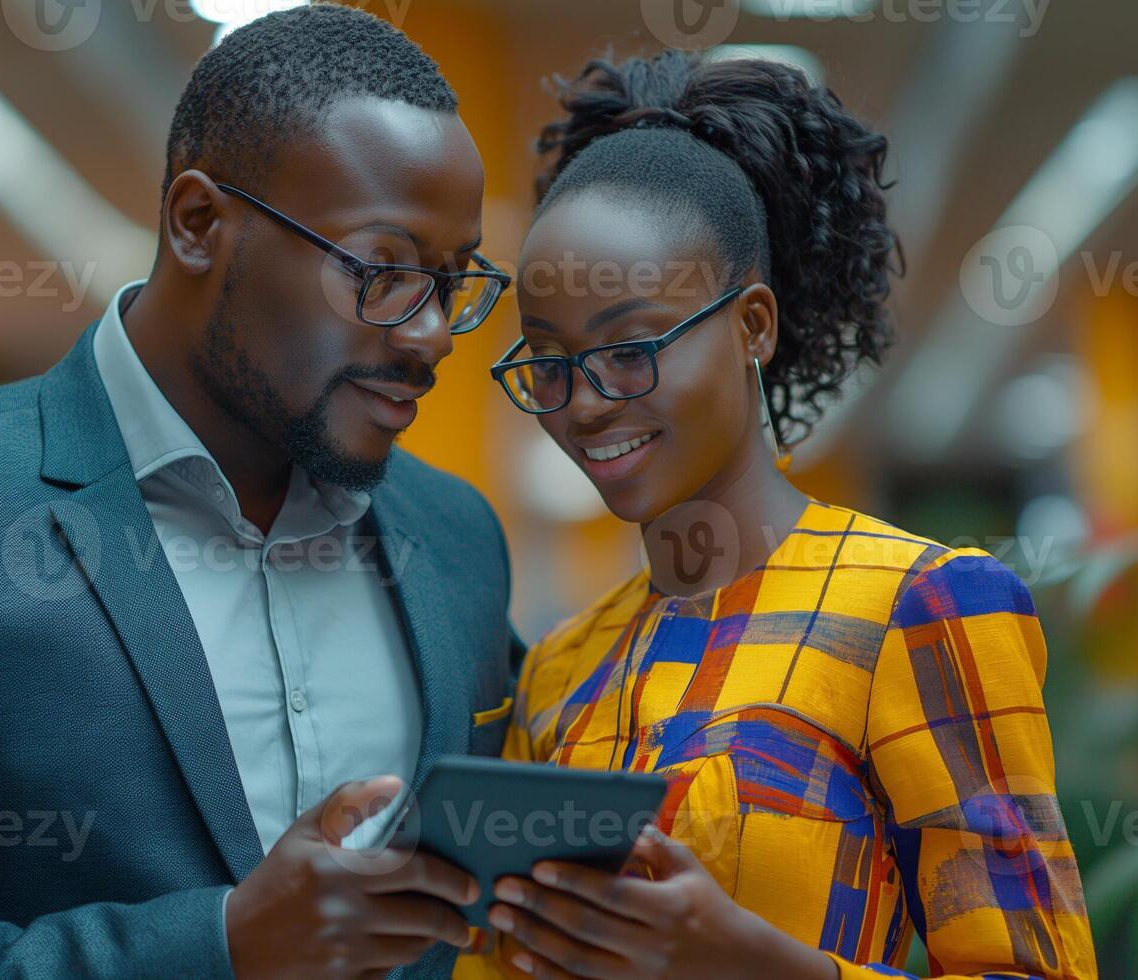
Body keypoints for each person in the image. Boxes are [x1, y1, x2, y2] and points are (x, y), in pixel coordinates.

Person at [0, 6, 523, 978]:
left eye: (454, 281)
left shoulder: (454, 538)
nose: (432, 333)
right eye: (384, 271)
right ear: (199, 223)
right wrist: (220, 944)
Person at [456, 50, 1097, 979]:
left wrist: (743, 960)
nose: (583, 402)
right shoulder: (562, 665)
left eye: (631, 348)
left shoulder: (918, 607)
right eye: (547, 361)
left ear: (753, 325)